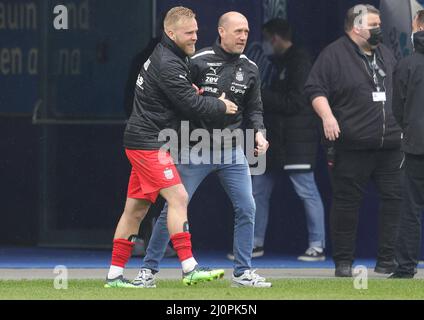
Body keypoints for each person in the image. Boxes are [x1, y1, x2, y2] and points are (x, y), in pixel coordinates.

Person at [132, 11, 272, 288]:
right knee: (173, 207)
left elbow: (255, 108)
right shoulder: (196, 61)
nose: (243, 36)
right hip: (195, 147)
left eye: (246, 31)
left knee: (247, 206)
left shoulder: (251, 68)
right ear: (222, 31)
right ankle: (148, 271)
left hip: (232, 150)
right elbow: (178, 101)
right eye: (237, 31)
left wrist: (259, 133)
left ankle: (243, 272)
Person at [105, 6, 239, 288]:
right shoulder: (168, 62)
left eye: (196, 31)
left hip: (145, 140)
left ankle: (114, 277)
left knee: (135, 211)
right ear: (170, 32)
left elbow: (184, 96)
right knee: (178, 197)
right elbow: (191, 105)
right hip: (148, 143)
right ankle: (189, 269)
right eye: (189, 33)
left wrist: (196, 94)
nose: (195, 37)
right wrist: (221, 105)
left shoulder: (171, 57)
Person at [304, 4, 403, 277]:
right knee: (347, 204)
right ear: (356, 27)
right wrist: (327, 117)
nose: (379, 29)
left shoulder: (385, 53)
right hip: (352, 144)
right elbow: (315, 89)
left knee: (394, 200)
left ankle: (387, 261)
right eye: (374, 25)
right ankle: (344, 263)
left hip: (390, 144)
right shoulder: (333, 54)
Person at [243, 18, 326, 261]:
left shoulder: (299, 60)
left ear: (275, 38)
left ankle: (317, 245)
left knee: (307, 190)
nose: (266, 45)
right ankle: (255, 243)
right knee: (258, 190)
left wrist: (259, 93)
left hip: (297, 142)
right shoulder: (275, 63)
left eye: (268, 39)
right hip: (272, 140)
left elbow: (295, 102)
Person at [390, 10, 424, 279]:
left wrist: (411, 129)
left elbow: (397, 109)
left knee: (410, 209)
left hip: (416, 146)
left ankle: (405, 268)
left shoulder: (407, 64)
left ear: (417, 26)